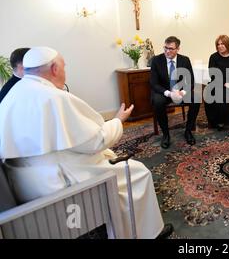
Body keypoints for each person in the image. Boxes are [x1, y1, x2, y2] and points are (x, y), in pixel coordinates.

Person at [0, 46, 172, 239]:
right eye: (64, 66)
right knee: (138, 173)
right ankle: (147, 233)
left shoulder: (12, 95)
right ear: (55, 69)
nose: (65, 71)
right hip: (60, 180)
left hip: (26, 181)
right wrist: (117, 120)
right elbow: (96, 141)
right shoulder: (54, 97)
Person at [150, 36, 200, 148]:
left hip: (180, 91)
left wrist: (183, 92)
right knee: (158, 102)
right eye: (165, 48)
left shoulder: (185, 60)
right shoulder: (156, 60)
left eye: (171, 48)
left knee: (196, 99)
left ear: (178, 49)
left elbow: (191, 81)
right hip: (164, 92)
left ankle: (188, 131)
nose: (167, 51)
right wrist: (168, 93)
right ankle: (166, 134)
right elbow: (154, 83)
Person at [204, 35, 229, 130]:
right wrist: (225, 84)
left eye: (222, 44)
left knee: (228, 95)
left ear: (228, 45)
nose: (220, 46)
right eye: (218, 44)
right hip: (216, 83)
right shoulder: (213, 57)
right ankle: (215, 120)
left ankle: (225, 119)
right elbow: (212, 75)